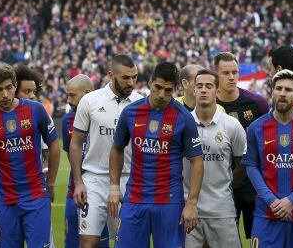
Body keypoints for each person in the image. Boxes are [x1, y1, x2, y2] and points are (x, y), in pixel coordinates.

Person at [107, 62, 204, 247]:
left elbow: (197, 160)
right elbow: (117, 148)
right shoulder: (130, 112)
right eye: (157, 87)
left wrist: (191, 203)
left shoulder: (183, 117)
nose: (161, 95)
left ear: (175, 89)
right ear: (150, 82)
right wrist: (113, 187)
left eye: (168, 90)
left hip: (169, 201)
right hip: (135, 197)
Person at [0, 63, 61, 248]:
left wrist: (51, 182)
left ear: (15, 85)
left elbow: (54, 144)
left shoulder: (35, 110)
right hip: (5, 201)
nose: (5, 95)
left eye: (9, 88)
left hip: (36, 197)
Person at [242, 69, 293, 247]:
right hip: (266, 214)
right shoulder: (256, 128)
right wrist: (272, 202)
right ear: (272, 92)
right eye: (278, 88)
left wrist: (291, 201)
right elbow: (251, 168)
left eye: (288, 90)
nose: (282, 93)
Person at [70, 55, 143, 248]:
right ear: (111, 75)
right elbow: (76, 143)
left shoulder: (141, 103)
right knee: (88, 242)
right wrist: (78, 182)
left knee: (127, 243)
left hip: (129, 180)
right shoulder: (90, 101)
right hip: (94, 179)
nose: (131, 82)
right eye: (126, 78)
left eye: (134, 77)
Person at [183, 68, 246, 248]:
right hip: (188, 209)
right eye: (199, 86)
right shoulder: (182, 123)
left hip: (221, 209)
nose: (203, 90)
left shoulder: (232, 125)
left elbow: (242, 164)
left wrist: (228, 186)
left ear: (217, 91)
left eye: (209, 86)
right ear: (193, 90)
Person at [213, 51, 269, 241]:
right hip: (222, 185)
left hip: (253, 184)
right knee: (223, 241)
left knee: (258, 238)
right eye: (225, 73)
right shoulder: (210, 104)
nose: (231, 77)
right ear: (215, 74)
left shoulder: (257, 103)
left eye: (234, 72)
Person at [61, 75, 108, 248]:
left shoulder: (105, 115)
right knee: (73, 243)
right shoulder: (67, 120)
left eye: (72, 95)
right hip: (74, 191)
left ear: (87, 93)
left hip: (102, 191)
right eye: (67, 95)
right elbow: (71, 154)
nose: (69, 100)